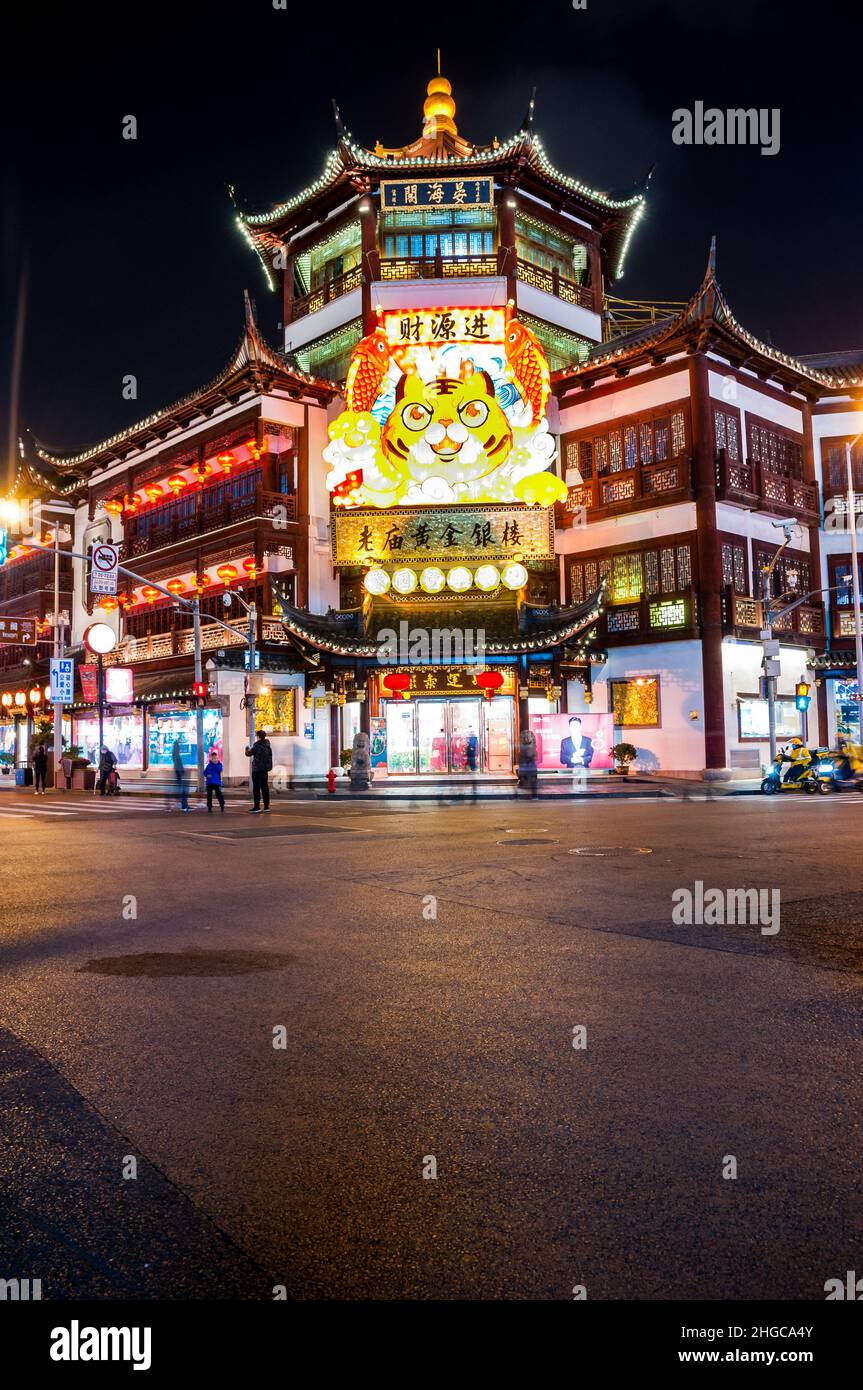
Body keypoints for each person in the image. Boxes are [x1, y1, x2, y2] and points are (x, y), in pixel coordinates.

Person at [245, 728, 273, 812]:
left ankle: (256, 807)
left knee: (256, 788)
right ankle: (266, 807)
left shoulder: (257, 746)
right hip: (265, 770)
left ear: (259, 737)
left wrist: (247, 749)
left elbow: (248, 754)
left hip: (257, 770)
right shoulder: (268, 746)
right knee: (265, 788)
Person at [172, 736, 190, 811]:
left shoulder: (175, 755)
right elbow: (178, 764)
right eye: (178, 747)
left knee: (181, 788)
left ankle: (183, 804)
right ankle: (183, 805)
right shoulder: (177, 756)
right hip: (179, 772)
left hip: (179, 772)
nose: (179, 748)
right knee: (183, 789)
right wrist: (182, 771)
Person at [205, 747, 225, 813]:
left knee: (219, 794)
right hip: (209, 783)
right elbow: (204, 772)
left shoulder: (219, 764)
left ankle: (222, 805)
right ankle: (209, 807)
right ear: (211, 758)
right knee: (209, 796)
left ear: (217, 758)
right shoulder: (209, 765)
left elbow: (219, 770)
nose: (214, 759)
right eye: (213, 758)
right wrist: (207, 775)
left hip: (216, 782)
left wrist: (215, 764)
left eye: (215, 758)